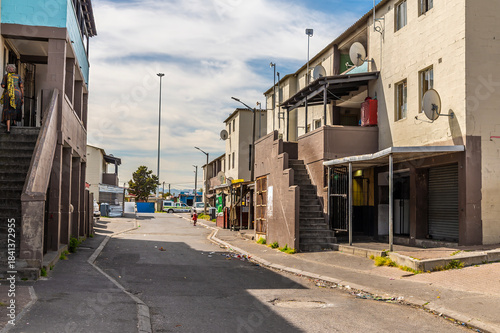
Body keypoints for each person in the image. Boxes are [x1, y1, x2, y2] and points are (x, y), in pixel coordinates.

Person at [1, 64, 24, 134]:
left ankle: (8, 129)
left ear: (7, 69)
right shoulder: (18, 76)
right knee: (15, 107)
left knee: (8, 109)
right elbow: (21, 87)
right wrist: (22, 97)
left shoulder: (6, 76)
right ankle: (14, 122)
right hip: (17, 93)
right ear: (14, 69)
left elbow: (3, 85)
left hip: (9, 94)